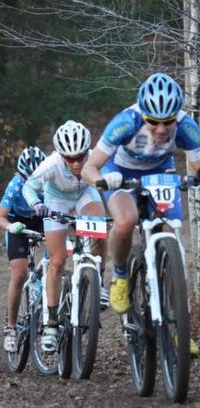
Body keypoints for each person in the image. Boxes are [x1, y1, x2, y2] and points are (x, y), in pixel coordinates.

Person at [81, 72, 200, 356]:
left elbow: (197, 167)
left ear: (177, 117)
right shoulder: (125, 122)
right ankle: (121, 276)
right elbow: (89, 166)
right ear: (142, 114)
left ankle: (178, 328)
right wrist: (101, 180)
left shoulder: (187, 127)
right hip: (120, 173)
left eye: (168, 122)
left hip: (161, 174)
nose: (161, 129)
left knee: (173, 241)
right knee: (125, 221)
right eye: (153, 121)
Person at [22, 120, 108, 352]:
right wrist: (36, 204)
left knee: (100, 230)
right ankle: (51, 323)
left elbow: (110, 178)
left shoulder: (96, 157)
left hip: (84, 194)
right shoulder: (51, 164)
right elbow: (28, 187)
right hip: (56, 200)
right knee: (58, 260)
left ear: (87, 151)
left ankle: (99, 280)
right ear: (61, 157)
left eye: (81, 157)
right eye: (70, 159)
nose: (77, 163)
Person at [0, 146, 46, 352]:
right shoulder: (15, 185)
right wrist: (9, 227)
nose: (31, 182)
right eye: (27, 177)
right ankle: (11, 328)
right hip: (17, 223)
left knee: (57, 259)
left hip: (40, 219)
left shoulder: (50, 181)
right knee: (19, 273)